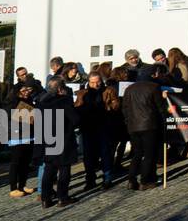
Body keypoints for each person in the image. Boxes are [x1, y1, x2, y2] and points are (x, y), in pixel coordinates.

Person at [122, 64, 169, 189]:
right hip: (149, 125)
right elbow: (160, 108)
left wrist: (128, 122)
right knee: (149, 154)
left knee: (137, 154)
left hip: (133, 126)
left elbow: (125, 108)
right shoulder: (154, 87)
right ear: (152, 75)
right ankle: (145, 180)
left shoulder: (129, 88)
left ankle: (131, 180)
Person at [37, 77, 80, 207]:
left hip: (47, 138)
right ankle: (62, 197)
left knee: (49, 169)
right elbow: (75, 120)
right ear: (61, 89)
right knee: (64, 169)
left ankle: (46, 198)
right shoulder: (64, 101)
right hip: (64, 139)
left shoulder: (41, 102)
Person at [75, 70, 117, 191]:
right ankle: (90, 179)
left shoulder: (108, 91)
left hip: (103, 126)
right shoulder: (82, 93)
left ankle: (107, 178)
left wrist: (109, 106)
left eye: (98, 82)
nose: (96, 85)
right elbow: (77, 107)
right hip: (88, 127)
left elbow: (115, 106)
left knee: (105, 154)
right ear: (89, 82)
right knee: (88, 156)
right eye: (93, 82)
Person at [7, 82, 40, 198]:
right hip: (17, 136)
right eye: (24, 91)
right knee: (16, 162)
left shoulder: (30, 100)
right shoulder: (12, 102)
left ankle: (22, 185)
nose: (27, 93)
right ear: (17, 91)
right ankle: (13, 188)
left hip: (29, 134)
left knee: (25, 162)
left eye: (28, 90)